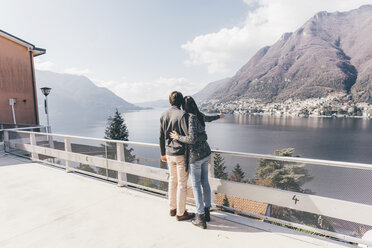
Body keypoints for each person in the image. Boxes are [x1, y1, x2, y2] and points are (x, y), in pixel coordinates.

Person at [170, 96, 224, 229]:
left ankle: (200, 217)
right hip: (206, 153)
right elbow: (208, 119)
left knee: (196, 185)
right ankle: (206, 211)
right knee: (205, 182)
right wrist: (219, 116)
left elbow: (192, 139)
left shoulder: (190, 118)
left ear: (184, 106)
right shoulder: (199, 115)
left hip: (196, 157)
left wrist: (178, 137)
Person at [159, 91, 196, 221]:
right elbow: (188, 137)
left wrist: (162, 153)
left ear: (170, 101)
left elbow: (161, 136)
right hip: (180, 155)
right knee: (182, 184)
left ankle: (172, 208)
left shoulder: (163, 114)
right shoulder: (183, 115)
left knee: (172, 181)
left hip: (168, 154)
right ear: (180, 102)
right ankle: (181, 213)